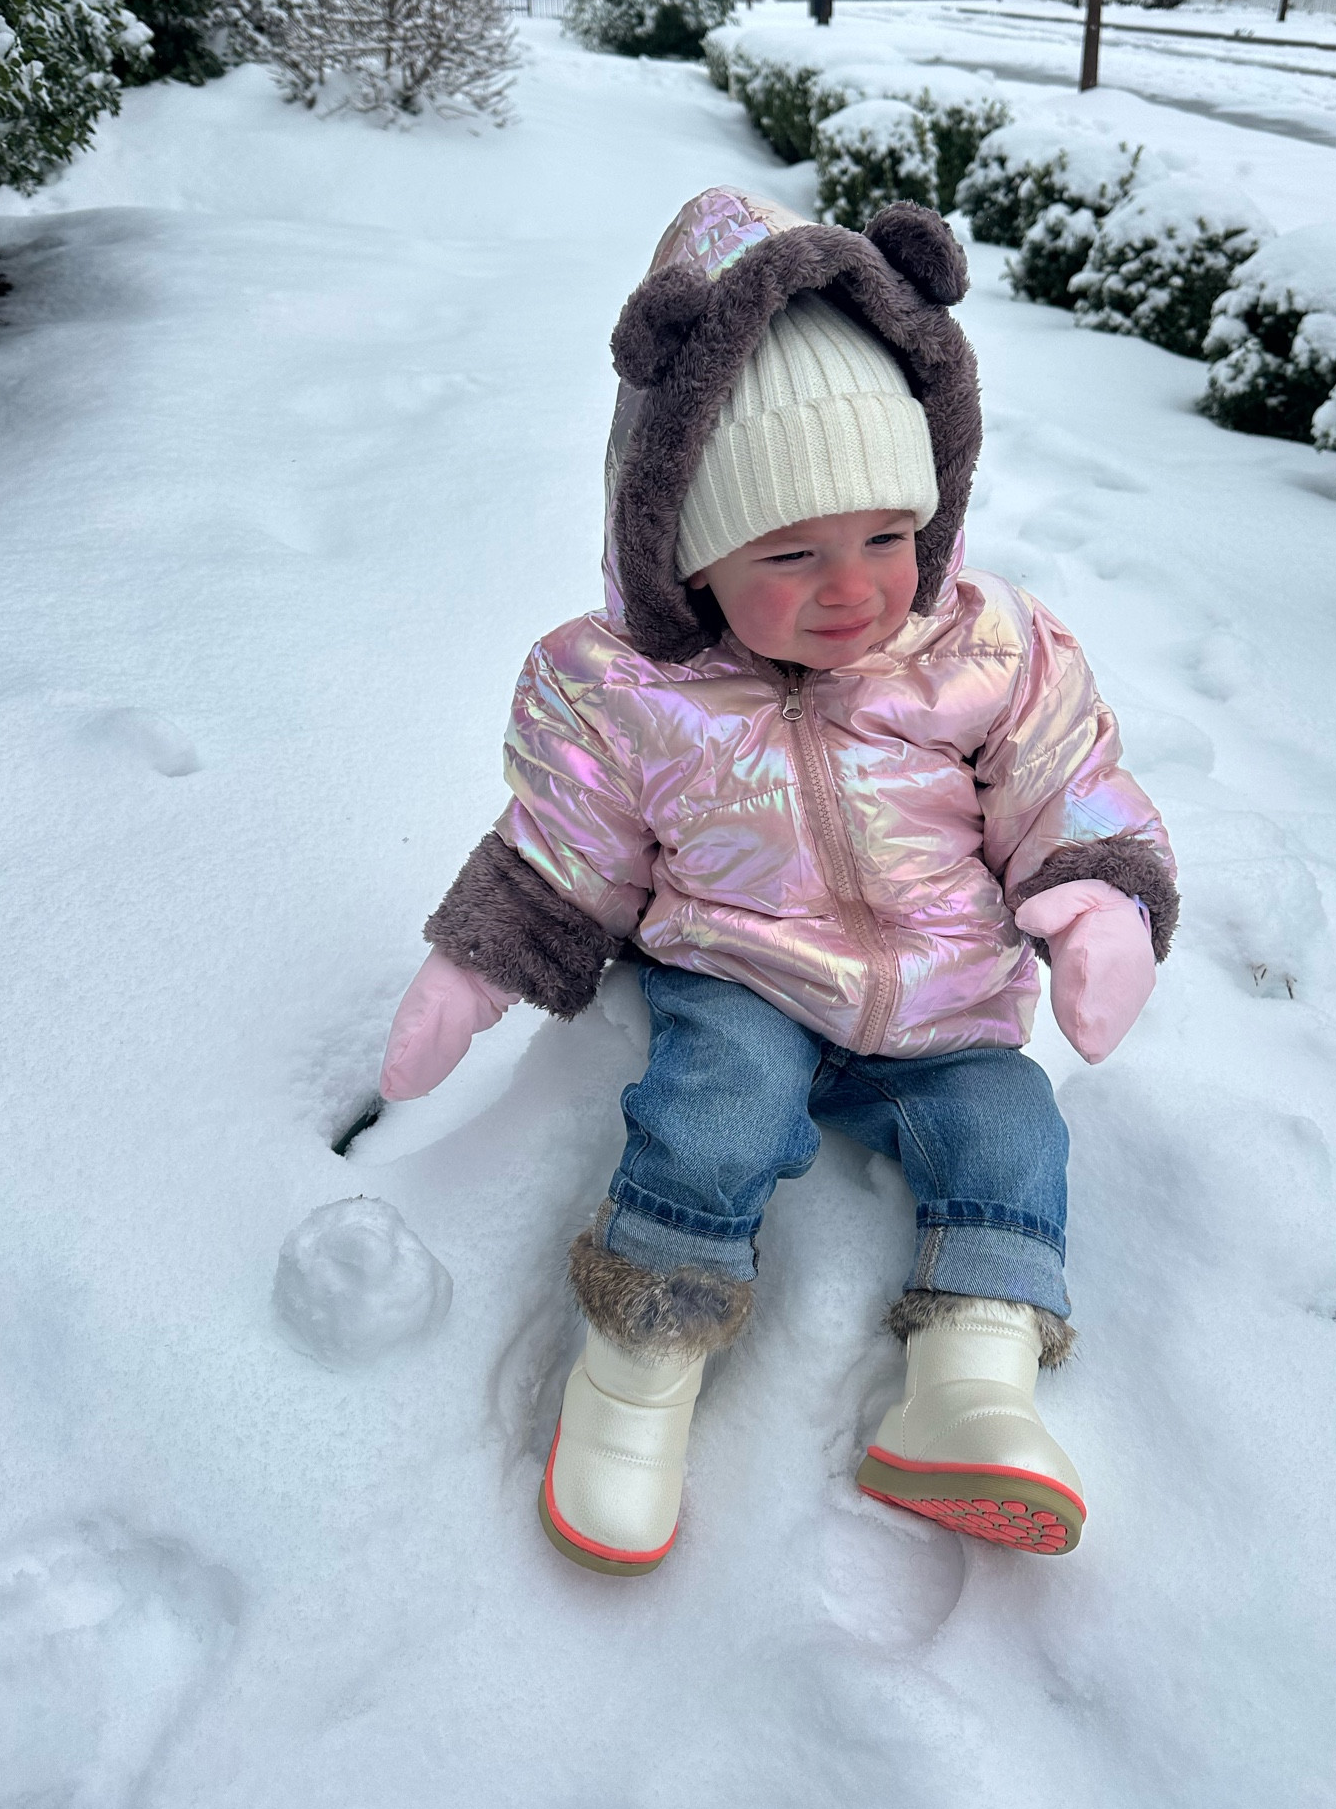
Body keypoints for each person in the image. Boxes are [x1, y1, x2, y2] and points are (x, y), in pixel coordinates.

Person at [379, 189, 1177, 1577]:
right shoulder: (626, 691)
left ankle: (971, 1388)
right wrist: (479, 963)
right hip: (744, 970)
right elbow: (573, 839)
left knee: (1014, 1133)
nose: (855, 586)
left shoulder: (988, 647)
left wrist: (1096, 899)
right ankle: (639, 1369)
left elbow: (1064, 774)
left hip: (946, 992)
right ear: (686, 542)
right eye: (791, 554)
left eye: (886, 533)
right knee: (715, 1108)